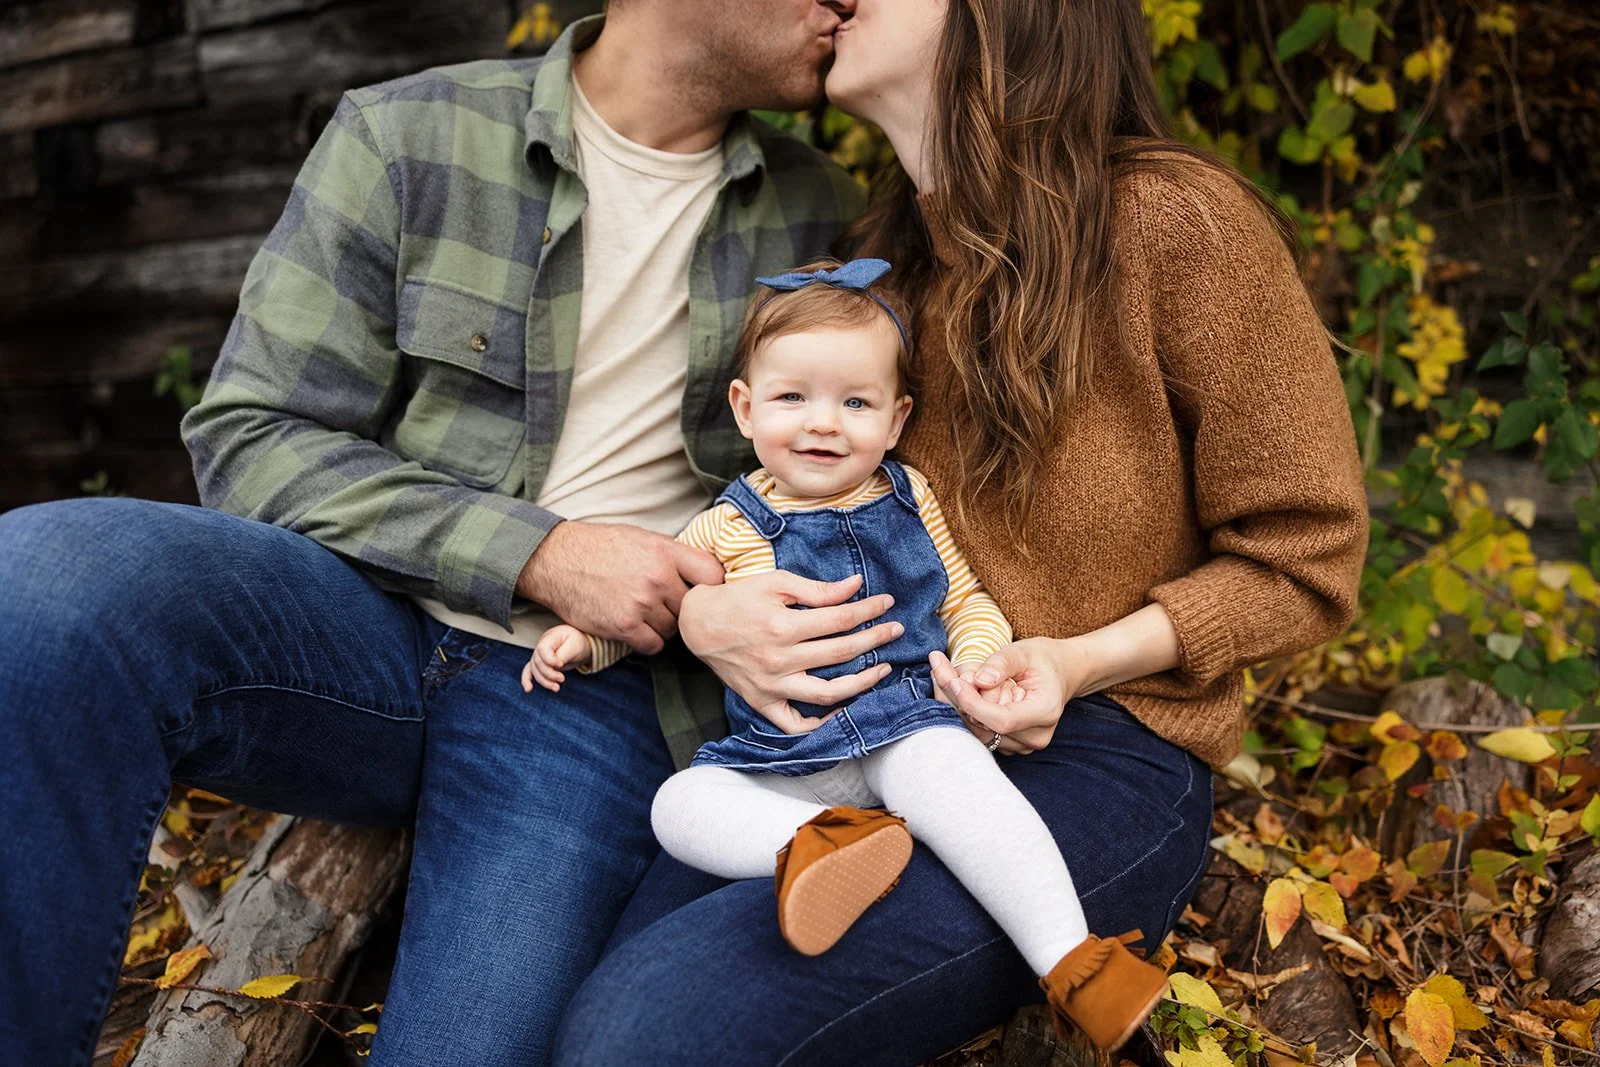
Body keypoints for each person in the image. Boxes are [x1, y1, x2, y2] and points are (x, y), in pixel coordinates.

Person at [0, 4, 878, 1065]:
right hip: (354, 623)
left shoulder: (830, 219)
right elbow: (249, 433)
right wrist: (542, 551)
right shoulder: (408, 135)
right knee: (41, 583)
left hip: (589, 697)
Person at [552, 0, 1371, 1063]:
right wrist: (706, 606)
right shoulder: (874, 272)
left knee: (644, 1033)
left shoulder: (1178, 222)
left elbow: (1306, 553)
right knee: (591, 1014)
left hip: (1104, 750)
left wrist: (1077, 659)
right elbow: (775, 510)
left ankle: (1081, 965)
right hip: (848, 744)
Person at [532, 256, 1171, 1048]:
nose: (823, 422)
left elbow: (962, 596)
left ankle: (1076, 960)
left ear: (897, 419)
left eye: (855, 402)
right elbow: (666, 594)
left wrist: (975, 661)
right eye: (793, 397)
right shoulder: (728, 524)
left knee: (966, 791)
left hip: (906, 719)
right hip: (788, 754)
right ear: (745, 406)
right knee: (680, 806)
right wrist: (587, 639)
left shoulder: (910, 496)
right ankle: (823, 849)